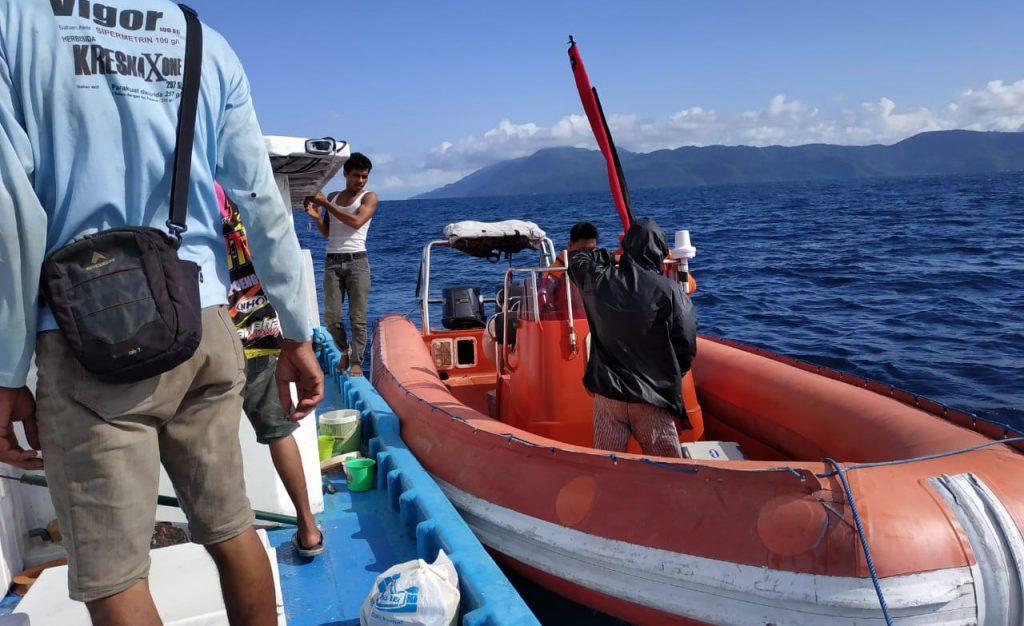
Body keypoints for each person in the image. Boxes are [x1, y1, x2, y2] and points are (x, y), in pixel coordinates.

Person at [0, 3, 323, 625]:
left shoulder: (14, 23)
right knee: (232, 526)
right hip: (204, 321)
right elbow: (260, 200)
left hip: (89, 343)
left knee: (114, 575)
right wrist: (297, 331)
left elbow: (10, 215)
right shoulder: (204, 41)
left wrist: (7, 371)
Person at [220, 186, 323, 558]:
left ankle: (234, 542)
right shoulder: (253, 206)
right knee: (280, 433)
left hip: (212, 337)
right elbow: (283, 266)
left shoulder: (189, 207)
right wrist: (299, 338)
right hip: (261, 336)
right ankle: (308, 528)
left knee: (214, 443)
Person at [568, 218, 697, 457]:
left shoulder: (599, 280)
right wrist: (669, 373)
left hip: (609, 397)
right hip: (653, 397)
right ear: (660, 251)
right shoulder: (669, 290)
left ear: (627, 247)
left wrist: (610, 257)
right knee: (668, 466)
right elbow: (686, 342)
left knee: (607, 464)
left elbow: (577, 259)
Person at [304, 153, 378, 376]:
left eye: (365, 176)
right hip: (332, 261)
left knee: (357, 318)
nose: (361, 181)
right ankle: (344, 351)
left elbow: (356, 222)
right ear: (345, 174)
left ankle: (356, 362)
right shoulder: (334, 197)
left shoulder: (369, 198)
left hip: (357, 262)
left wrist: (326, 204)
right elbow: (328, 232)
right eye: (356, 176)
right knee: (332, 318)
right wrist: (318, 217)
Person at [541, 221, 598, 318]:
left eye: (591, 250)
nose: (586, 255)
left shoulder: (600, 267)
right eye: (582, 251)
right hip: (567, 321)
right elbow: (544, 301)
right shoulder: (555, 271)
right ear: (570, 245)